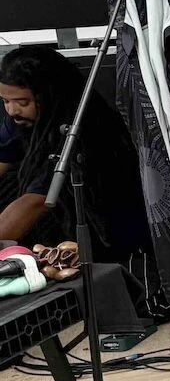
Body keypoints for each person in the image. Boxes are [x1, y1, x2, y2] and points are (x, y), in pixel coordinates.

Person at [0, 45, 149, 263]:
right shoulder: (21, 120)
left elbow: (35, 201)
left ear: (49, 96)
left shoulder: (84, 130)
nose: (12, 110)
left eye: (23, 102)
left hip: (103, 234)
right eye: (5, 101)